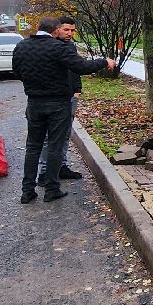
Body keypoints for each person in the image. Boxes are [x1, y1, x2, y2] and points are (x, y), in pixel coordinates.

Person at [12, 17, 114, 204]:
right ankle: (51, 189)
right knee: (55, 146)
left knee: (33, 147)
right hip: (58, 104)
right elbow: (82, 67)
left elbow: (17, 72)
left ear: (38, 28)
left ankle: (27, 191)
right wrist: (103, 61)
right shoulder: (58, 48)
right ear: (56, 30)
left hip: (34, 103)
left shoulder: (21, 46)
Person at [37, 16, 87, 183]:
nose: (70, 33)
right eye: (66, 30)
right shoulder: (49, 47)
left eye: (72, 30)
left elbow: (76, 69)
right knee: (47, 137)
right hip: (52, 98)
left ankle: (61, 166)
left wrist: (77, 90)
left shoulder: (70, 46)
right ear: (57, 29)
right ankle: (45, 172)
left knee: (65, 134)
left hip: (70, 96)